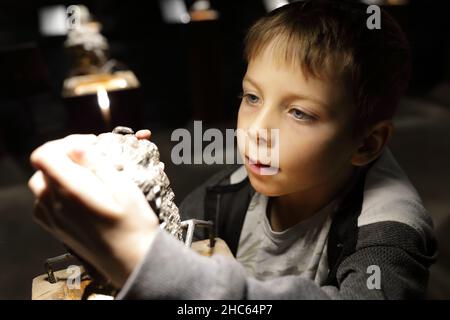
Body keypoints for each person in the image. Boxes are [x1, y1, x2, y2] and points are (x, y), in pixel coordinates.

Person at [29, 1, 437, 299]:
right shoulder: (221, 196)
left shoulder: (389, 231)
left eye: (298, 112)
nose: (256, 132)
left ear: (365, 143)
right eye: (252, 98)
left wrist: (146, 262)